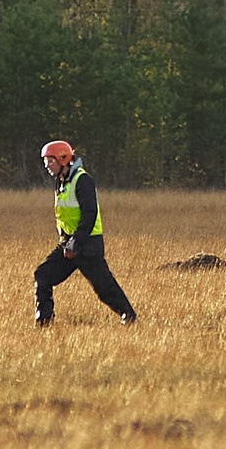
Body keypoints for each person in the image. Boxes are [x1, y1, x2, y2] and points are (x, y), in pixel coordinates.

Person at [34, 139, 137, 327]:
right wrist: (68, 241)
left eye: (51, 161)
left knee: (104, 288)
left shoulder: (83, 180)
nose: (47, 166)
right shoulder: (61, 181)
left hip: (87, 245)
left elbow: (90, 213)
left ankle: (128, 316)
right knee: (43, 275)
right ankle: (44, 322)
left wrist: (77, 241)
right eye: (46, 162)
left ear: (63, 159)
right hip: (69, 245)